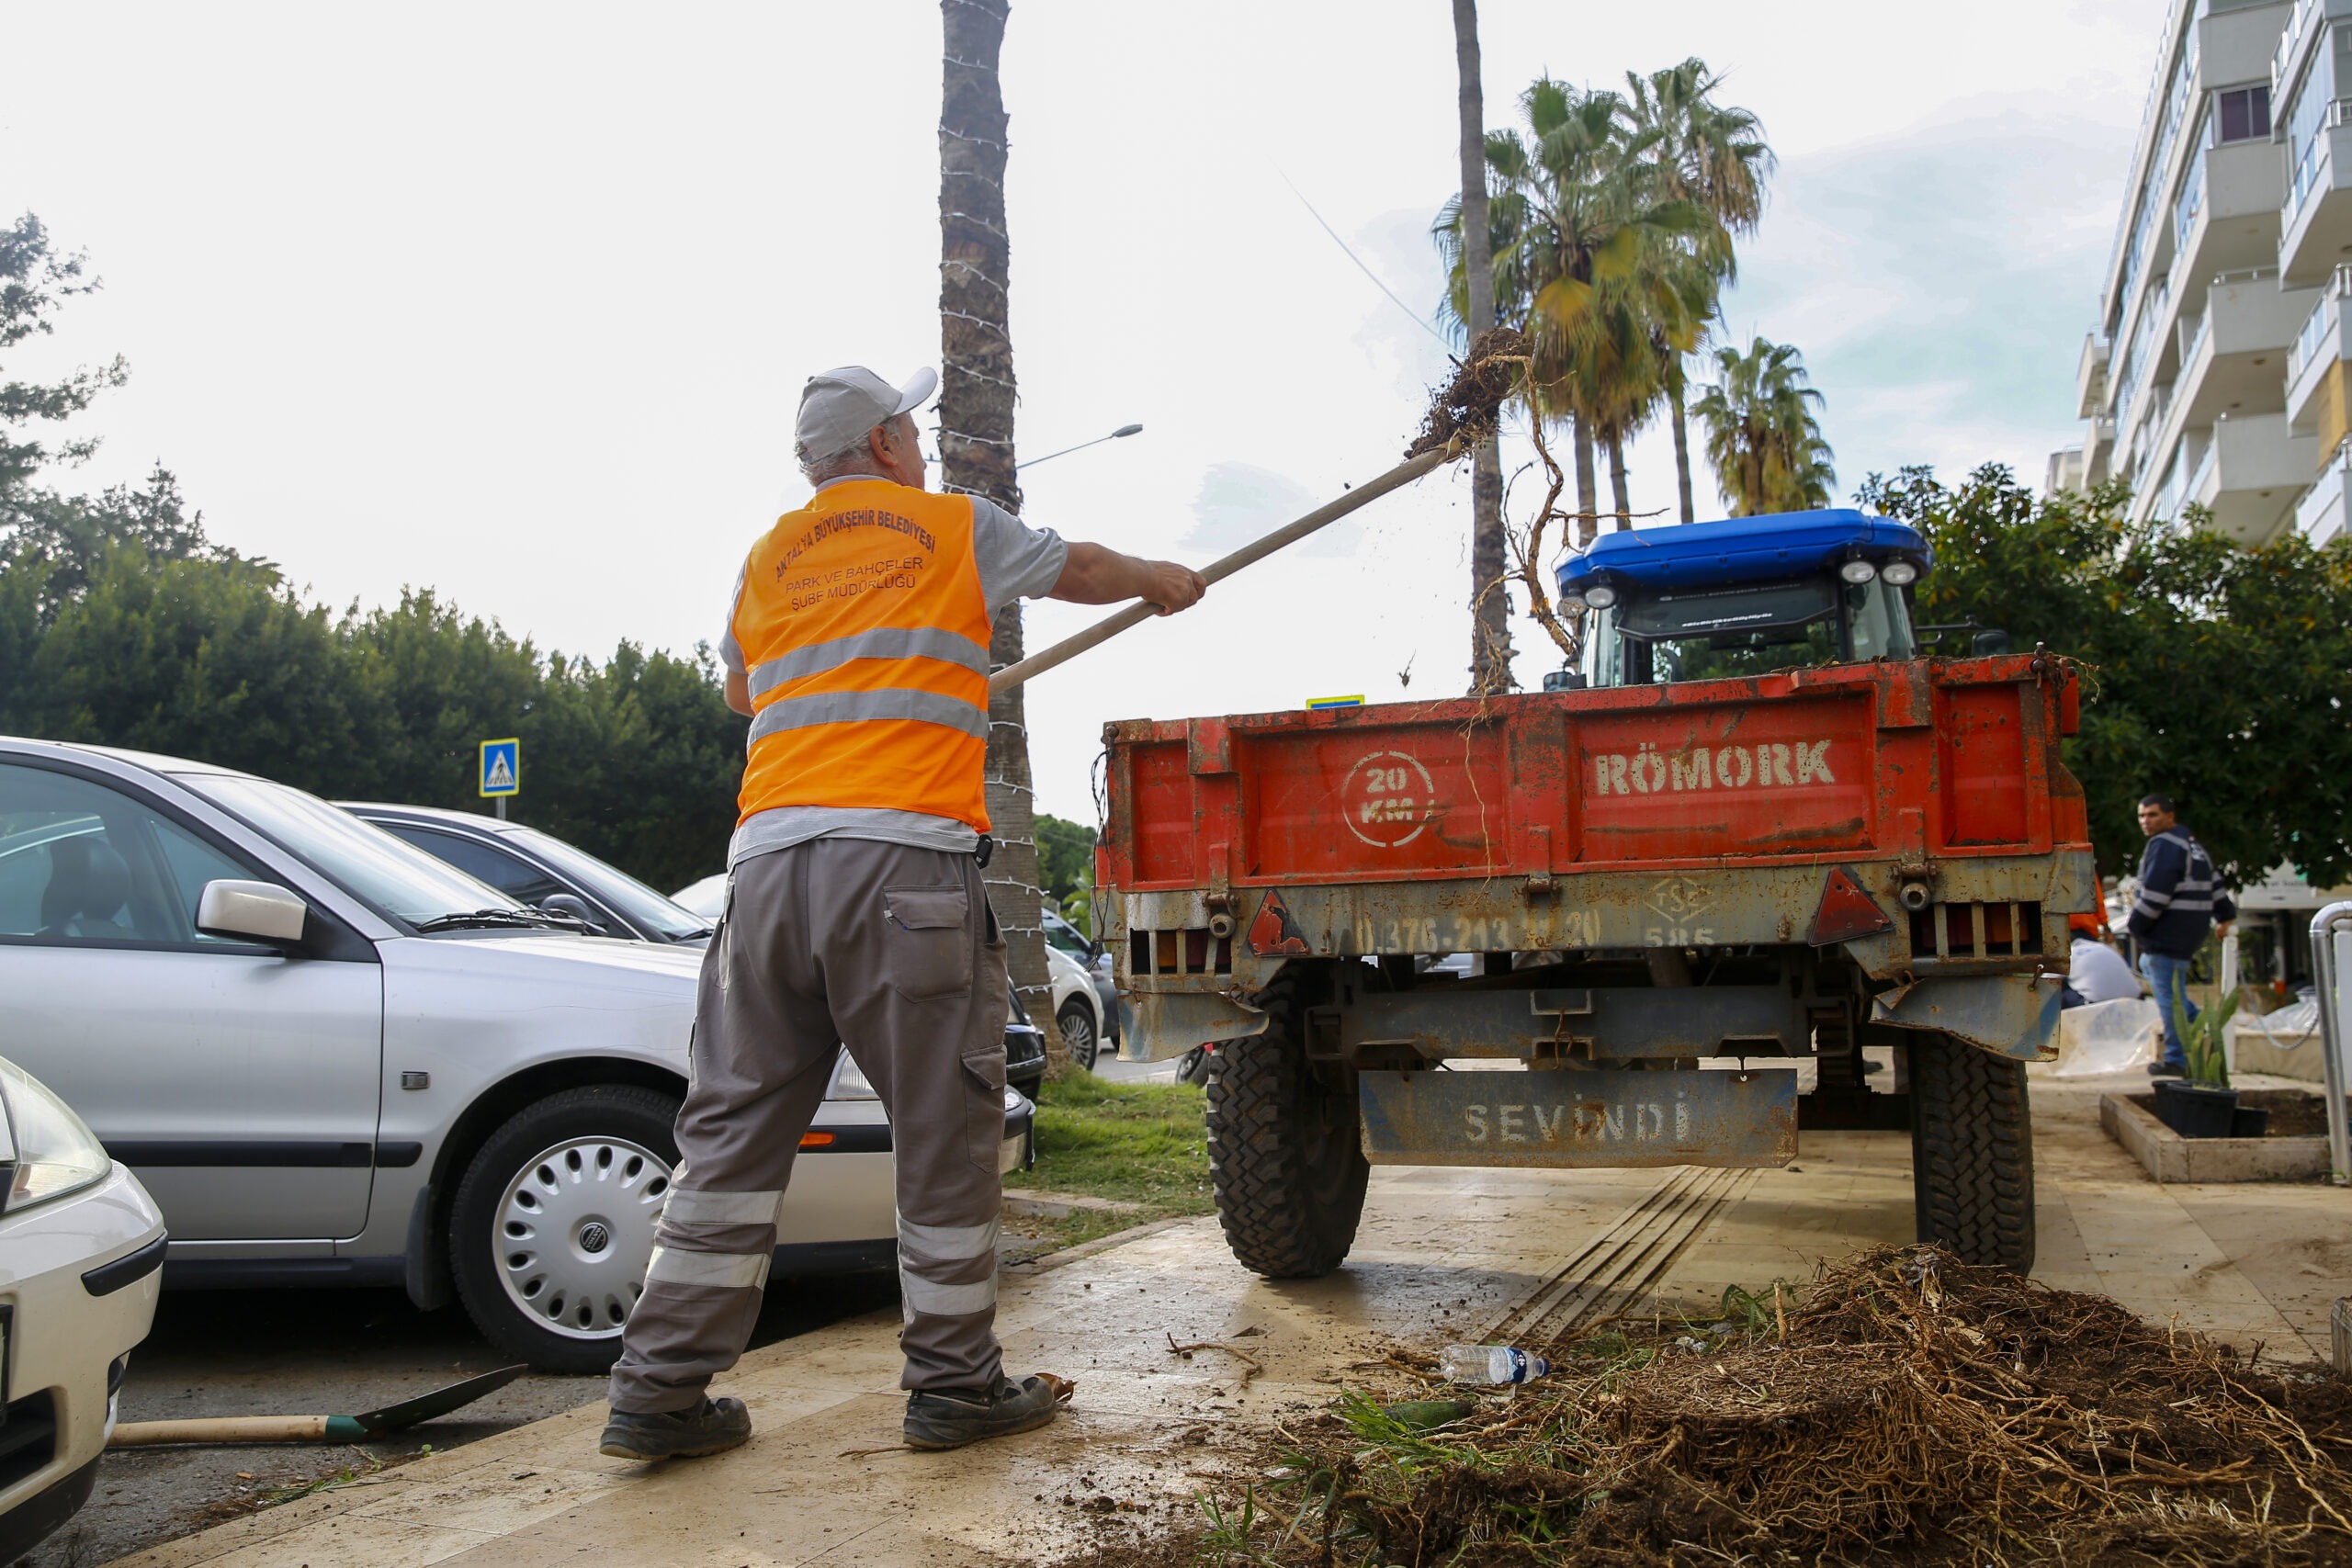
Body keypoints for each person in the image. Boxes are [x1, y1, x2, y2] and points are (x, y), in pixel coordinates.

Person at [599, 365, 1205, 1461]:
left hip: (767, 874)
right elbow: (1077, 566)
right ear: (882, 443)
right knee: (942, 1130)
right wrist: (1158, 579)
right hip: (902, 873)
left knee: (729, 1136)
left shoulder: (767, 556)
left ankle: (657, 1392)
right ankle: (955, 1384)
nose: (921, 445)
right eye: (912, 430)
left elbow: (743, 690)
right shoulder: (948, 526)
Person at [2125, 793, 2234, 1077]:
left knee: (2169, 1000)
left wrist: (2135, 927)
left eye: (2153, 815)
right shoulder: (2193, 845)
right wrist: (2226, 915)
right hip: (2190, 932)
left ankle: (2176, 1060)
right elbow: (2216, 883)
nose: (2146, 821)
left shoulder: (2164, 844)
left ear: (2170, 817)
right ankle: (2198, 1023)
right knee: (2165, 985)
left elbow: (2156, 893)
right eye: (2142, 816)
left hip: (2168, 933)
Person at [2063, 914, 2141, 1008]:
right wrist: (2105, 926)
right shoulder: (2102, 947)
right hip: (2137, 1001)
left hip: (2098, 1008)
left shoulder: (2062, 957)